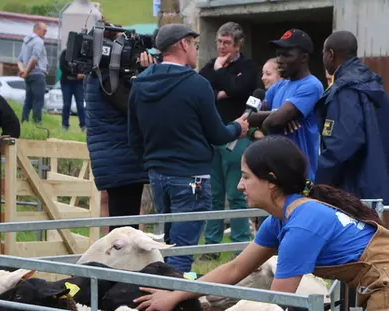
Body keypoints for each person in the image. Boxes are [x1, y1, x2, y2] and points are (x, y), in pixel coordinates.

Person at [134, 135, 389, 311]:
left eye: (245, 177)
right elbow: (235, 269)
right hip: (387, 285)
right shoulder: (282, 219)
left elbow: (275, 306)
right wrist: (175, 293)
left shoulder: (302, 223)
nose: (240, 186)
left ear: (271, 182)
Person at [128, 24, 249, 273]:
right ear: (183, 44)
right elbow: (217, 135)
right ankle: (170, 306)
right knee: (182, 254)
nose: (197, 50)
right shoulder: (197, 84)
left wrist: (152, 163)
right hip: (191, 177)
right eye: (194, 44)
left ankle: (161, 300)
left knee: (167, 247)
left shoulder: (139, 83)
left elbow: (134, 137)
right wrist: (238, 128)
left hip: (157, 176)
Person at [85, 21, 153, 233]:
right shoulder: (107, 78)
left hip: (118, 160)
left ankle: (119, 265)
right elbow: (135, 105)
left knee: (123, 225)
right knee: (124, 230)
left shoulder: (102, 74)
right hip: (121, 160)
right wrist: (148, 74)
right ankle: (120, 267)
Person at [198, 22, 259, 255]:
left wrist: (221, 73)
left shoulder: (249, 66)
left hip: (237, 137)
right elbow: (201, 87)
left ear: (238, 45)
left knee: (236, 194)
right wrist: (220, 89)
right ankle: (210, 246)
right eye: (219, 42)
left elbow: (239, 87)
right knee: (213, 194)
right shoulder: (210, 66)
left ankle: (240, 247)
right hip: (212, 137)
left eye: (226, 43)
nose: (221, 47)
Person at [315, 30, 389, 205]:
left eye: (323, 54)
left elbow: (343, 144)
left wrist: (317, 182)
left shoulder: (346, 91)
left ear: (330, 54)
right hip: (374, 187)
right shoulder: (373, 86)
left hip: (351, 194)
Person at [246, 29, 324, 179]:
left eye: (287, 55)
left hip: (300, 176)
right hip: (275, 172)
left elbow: (273, 122)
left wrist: (275, 118)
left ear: (303, 57)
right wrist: (278, 113)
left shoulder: (311, 86)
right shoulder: (279, 86)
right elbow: (248, 117)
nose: (280, 60)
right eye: (278, 54)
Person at [17, 22, 48, 124]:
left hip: (29, 76)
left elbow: (20, 60)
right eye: (44, 31)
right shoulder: (38, 41)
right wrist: (25, 72)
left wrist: (22, 70)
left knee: (28, 101)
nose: (45, 33)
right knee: (38, 101)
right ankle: (37, 124)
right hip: (38, 74)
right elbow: (34, 58)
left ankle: (24, 122)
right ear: (37, 29)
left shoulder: (26, 42)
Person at [58, 48, 86, 131]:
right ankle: (65, 125)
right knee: (67, 104)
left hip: (78, 84)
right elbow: (62, 67)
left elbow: (84, 67)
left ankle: (83, 125)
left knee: (80, 105)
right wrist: (76, 75)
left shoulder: (82, 55)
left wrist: (82, 74)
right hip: (66, 82)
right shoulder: (65, 53)